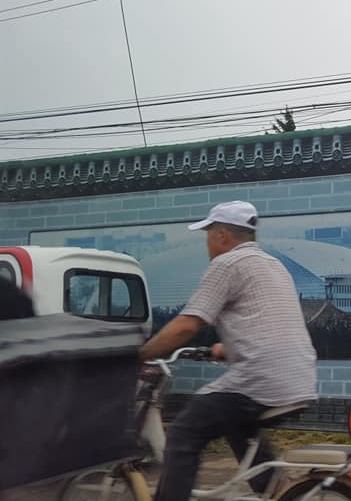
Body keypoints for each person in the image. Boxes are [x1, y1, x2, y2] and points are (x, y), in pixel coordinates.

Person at [139, 200, 317, 501]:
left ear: (221, 235)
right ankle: (279, 492)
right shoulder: (274, 265)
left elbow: (187, 325)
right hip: (299, 379)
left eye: (208, 235)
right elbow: (266, 323)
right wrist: (224, 348)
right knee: (237, 425)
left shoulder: (227, 264)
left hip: (261, 381)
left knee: (184, 432)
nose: (207, 243)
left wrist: (141, 353)